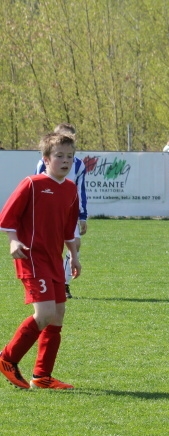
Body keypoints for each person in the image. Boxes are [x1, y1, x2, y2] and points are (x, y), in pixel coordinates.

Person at [0, 132, 81, 390]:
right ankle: (7, 359)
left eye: (70, 156)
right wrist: (13, 241)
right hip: (32, 257)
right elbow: (7, 218)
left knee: (57, 315)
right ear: (46, 159)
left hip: (54, 259)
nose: (65, 161)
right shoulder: (32, 184)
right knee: (44, 313)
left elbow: (69, 229)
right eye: (59, 156)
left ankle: (42, 377)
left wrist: (75, 256)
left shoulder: (70, 189)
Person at [35, 123, 87, 299]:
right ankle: (48, 280)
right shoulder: (44, 162)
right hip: (49, 213)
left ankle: (64, 284)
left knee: (75, 244)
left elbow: (81, 190)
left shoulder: (78, 165)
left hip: (69, 211)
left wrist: (83, 215)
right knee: (51, 246)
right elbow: (37, 185)